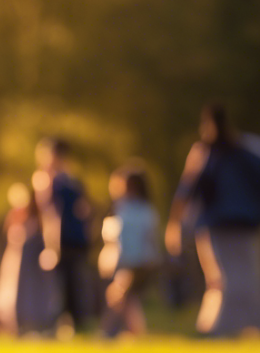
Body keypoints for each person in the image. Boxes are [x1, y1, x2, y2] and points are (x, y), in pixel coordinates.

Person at [165, 104, 260, 336]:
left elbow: (187, 191)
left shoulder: (206, 153)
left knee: (222, 279)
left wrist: (175, 225)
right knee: (244, 278)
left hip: (218, 224)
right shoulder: (245, 150)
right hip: (244, 224)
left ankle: (219, 329)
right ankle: (225, 327)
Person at [32, 137, 93, 331]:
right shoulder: (45, 180)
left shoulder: (72, 180)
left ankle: (75, 323)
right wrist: (52, 246)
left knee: (75, 283)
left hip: (76, 238)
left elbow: (84, 208)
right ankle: (60, 324)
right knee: (59, 285)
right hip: (60, 240)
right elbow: (50, 215)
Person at [99, 166, 161, 336]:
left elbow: (130, 239)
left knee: (118, 296)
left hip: (134, 262)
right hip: (133, 261)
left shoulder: (134, 210)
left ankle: (109, 333)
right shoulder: (130, 208)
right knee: (127, 299)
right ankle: (133, 333)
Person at [0, 183, 61, 335]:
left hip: (27, 264)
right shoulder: (14, 217)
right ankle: (15, 326)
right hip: (14, 262)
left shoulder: (38, 217)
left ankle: (34, 325)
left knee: (29, 293)